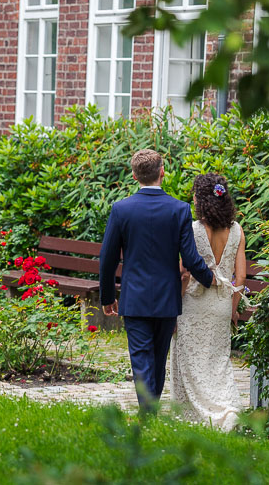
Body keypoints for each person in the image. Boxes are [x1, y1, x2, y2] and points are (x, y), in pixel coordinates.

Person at [99, 149, 214, 411]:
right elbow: (191, 257)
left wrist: (107, 297)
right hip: (167, 297)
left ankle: (147, 414)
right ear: (162, 172)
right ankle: (148, 414)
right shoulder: (179, 210)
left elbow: (107, 259)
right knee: (158, 359)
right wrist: (211, 280)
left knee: (141, 359)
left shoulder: (121, 209)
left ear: (133, 175)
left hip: (135, 297)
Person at [168, 172, 246, 432]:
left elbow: (183, 272)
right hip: (222, 304)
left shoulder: (192, 230)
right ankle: (229, 409)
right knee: (218, 361)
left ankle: (202, 415)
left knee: (191, 362)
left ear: (200, 200)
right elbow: (241, 277)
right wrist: (233, 310)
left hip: (193, 304)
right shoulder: (236, 230)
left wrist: (175, 306)